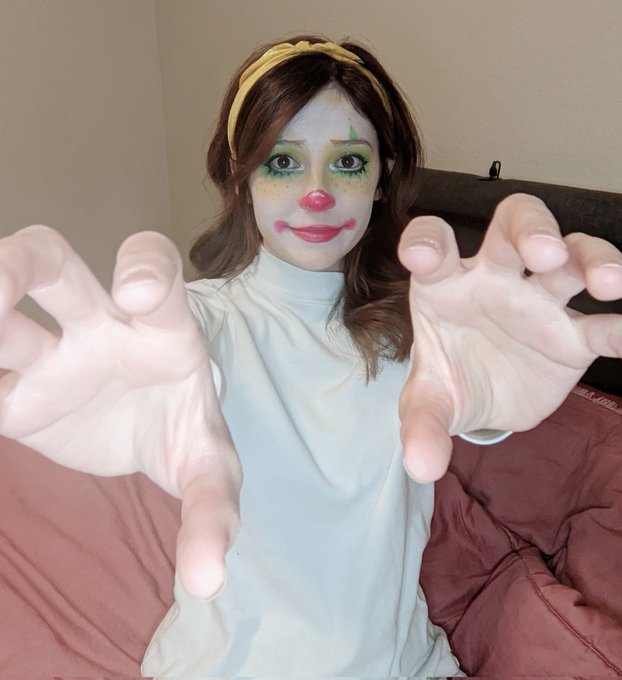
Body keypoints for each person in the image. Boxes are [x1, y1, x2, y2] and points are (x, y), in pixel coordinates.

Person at [1, 34, 621, 676]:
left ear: (382, 177)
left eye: (347, 162)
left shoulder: (427, 324)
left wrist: (490, 406)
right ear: (240, 178)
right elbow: (183, 360)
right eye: (282, 161)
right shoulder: (202, 321)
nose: (316, 192)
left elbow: (460, 394)